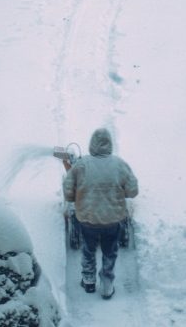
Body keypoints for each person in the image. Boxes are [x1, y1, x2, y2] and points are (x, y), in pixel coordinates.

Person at [62, 128, 138, 300]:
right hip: (113, 220)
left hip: (87, 220)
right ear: (109, 144)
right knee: (110, 252)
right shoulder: (120, 164)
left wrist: (77, 196)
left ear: (92, 145)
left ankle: (88, 282)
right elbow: (132, 191)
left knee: (88, 250)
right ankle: (106, 286)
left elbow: (68, 193)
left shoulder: (81, 165)